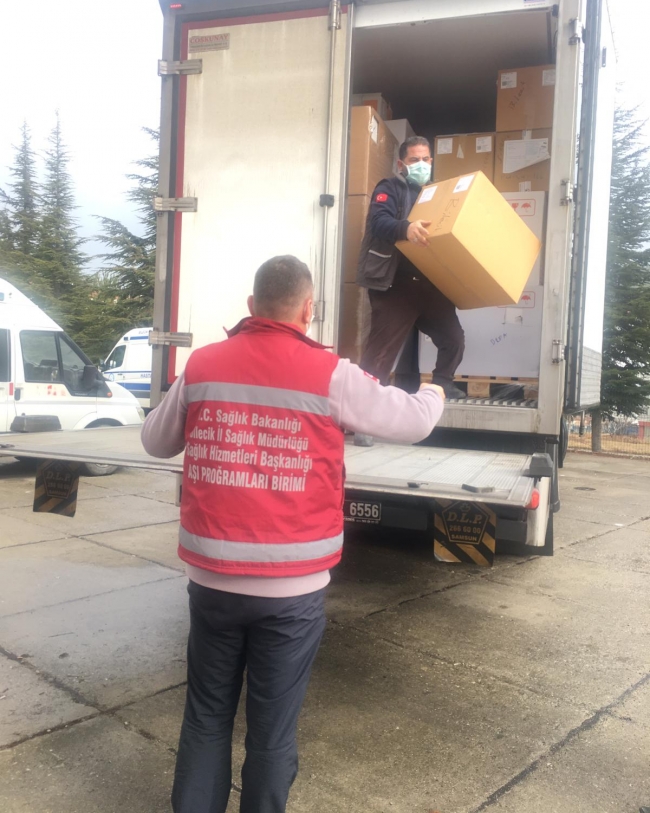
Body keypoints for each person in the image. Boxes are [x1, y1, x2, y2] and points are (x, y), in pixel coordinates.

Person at [141, 255, 445, 813]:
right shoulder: (331, 373)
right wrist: (436, 391)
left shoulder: (203, 365)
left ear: (251, 306)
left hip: (212, 584)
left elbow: (154, 443)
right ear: (309, 310)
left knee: (206, 719)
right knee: (271, 733)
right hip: (292, 594)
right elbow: (414, 421)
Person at [356, 136, 466, 400]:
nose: (421, 164)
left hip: (430, 283)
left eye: (425, 159)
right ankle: (365, 401)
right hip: (396, 284)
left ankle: (442, 384)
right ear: (401, 164)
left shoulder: (440, 194)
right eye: (414, 160)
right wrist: (405, 228)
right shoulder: (390, 188)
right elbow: (378, 222)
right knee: (380, 353)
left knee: (454, 339)